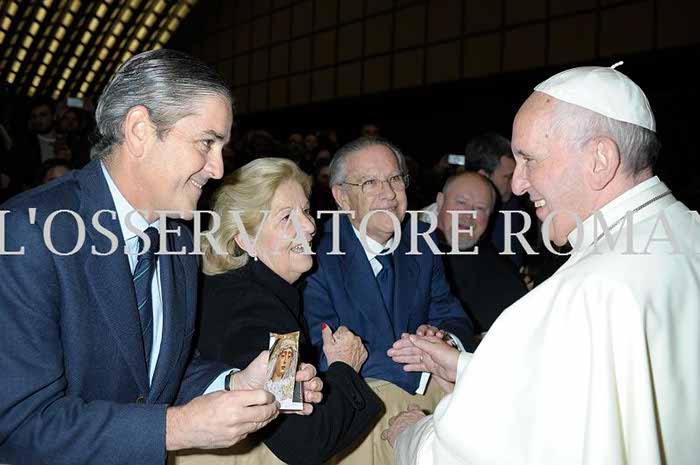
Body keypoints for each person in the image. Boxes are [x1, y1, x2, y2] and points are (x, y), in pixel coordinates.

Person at [0, 50, 322, 465]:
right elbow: (20, 426)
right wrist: (176, 427)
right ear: (140, 131)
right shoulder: (29, 231)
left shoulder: (178, 241)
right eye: (207, 143)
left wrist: (234, 383)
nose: (218, 169)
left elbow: (157, 376)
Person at [384, 65, 700, 465]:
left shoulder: (580, 293)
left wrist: (411, 434)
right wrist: (465, 367)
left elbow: (461, 454)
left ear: (600, 159)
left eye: (530, 159)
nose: (517, 184)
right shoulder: (687, 232)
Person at [188, 158, 381, 465]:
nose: (309, 226)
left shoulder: (246, 292)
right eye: (286, 217)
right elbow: (305, 440)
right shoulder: (255, 308)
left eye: (305, 211)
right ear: (245, 239)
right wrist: (345, 366)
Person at [302, 137, 475, 463]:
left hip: (426, 410)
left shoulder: (421, 242)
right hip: (356, 423)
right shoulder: (314, 253)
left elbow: (453, 316)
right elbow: (319, 348)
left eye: (395, 179)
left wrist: (443, 340)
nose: (389, 193)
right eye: (370, 182)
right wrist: (420, 358)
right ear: (342, 196)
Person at [433, 172, 528, 333]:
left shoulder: (502, 274)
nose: (468, 215)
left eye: (480, 208)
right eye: (461, 202)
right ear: (440, 201)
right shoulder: (409, 256)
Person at [464, 132, 529, 268]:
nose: (516, 185)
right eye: (508, 177)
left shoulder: (512, 207)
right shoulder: (452, 218)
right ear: (483, 177)